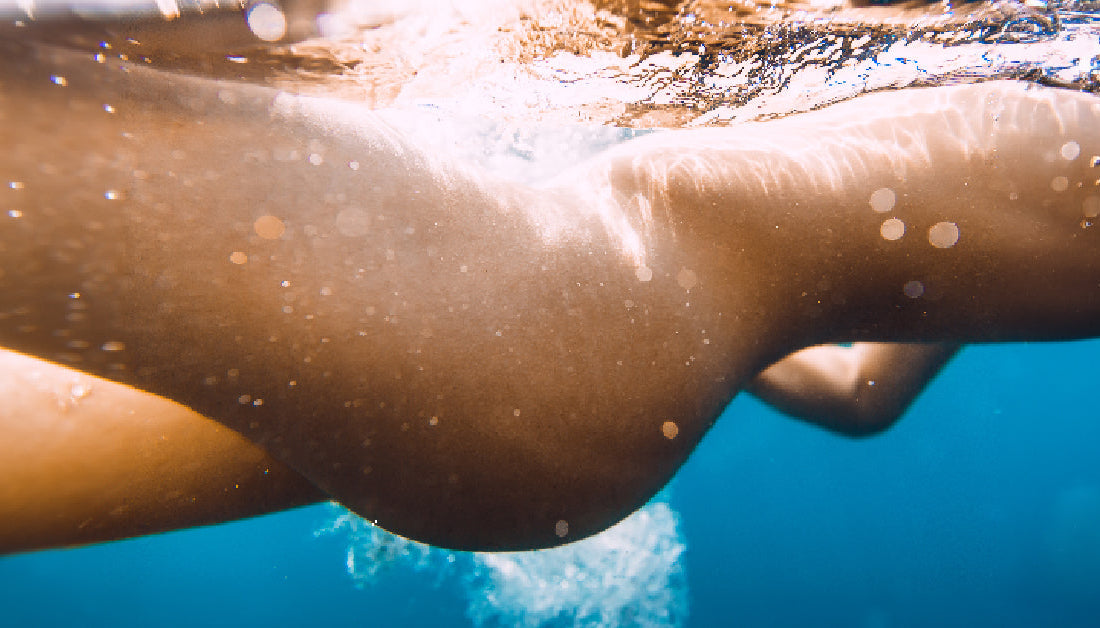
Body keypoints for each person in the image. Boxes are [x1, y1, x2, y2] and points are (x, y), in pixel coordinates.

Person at [1, 18, 1098, 555]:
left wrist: (709, 303)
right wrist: (714, 324)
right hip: (565, 332)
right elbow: (863, 394)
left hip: (562, 302)